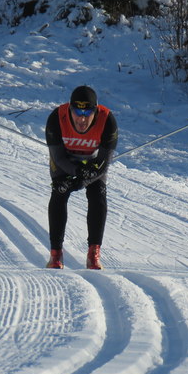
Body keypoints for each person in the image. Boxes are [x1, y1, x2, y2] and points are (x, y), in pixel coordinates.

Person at [45, 85, 118, 270]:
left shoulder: (107, 120)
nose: (82, 118)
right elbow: (58, 158)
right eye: (77, 112)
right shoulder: (57, 118)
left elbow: (104, 163)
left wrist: (85, 178)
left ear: (96, 110)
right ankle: (55, 254)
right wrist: (76, 174)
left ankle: (94, 253)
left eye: (88, 112)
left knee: (98, 194)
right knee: (59, 192)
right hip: (66, 161)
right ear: (70, 109)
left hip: (93, 162)